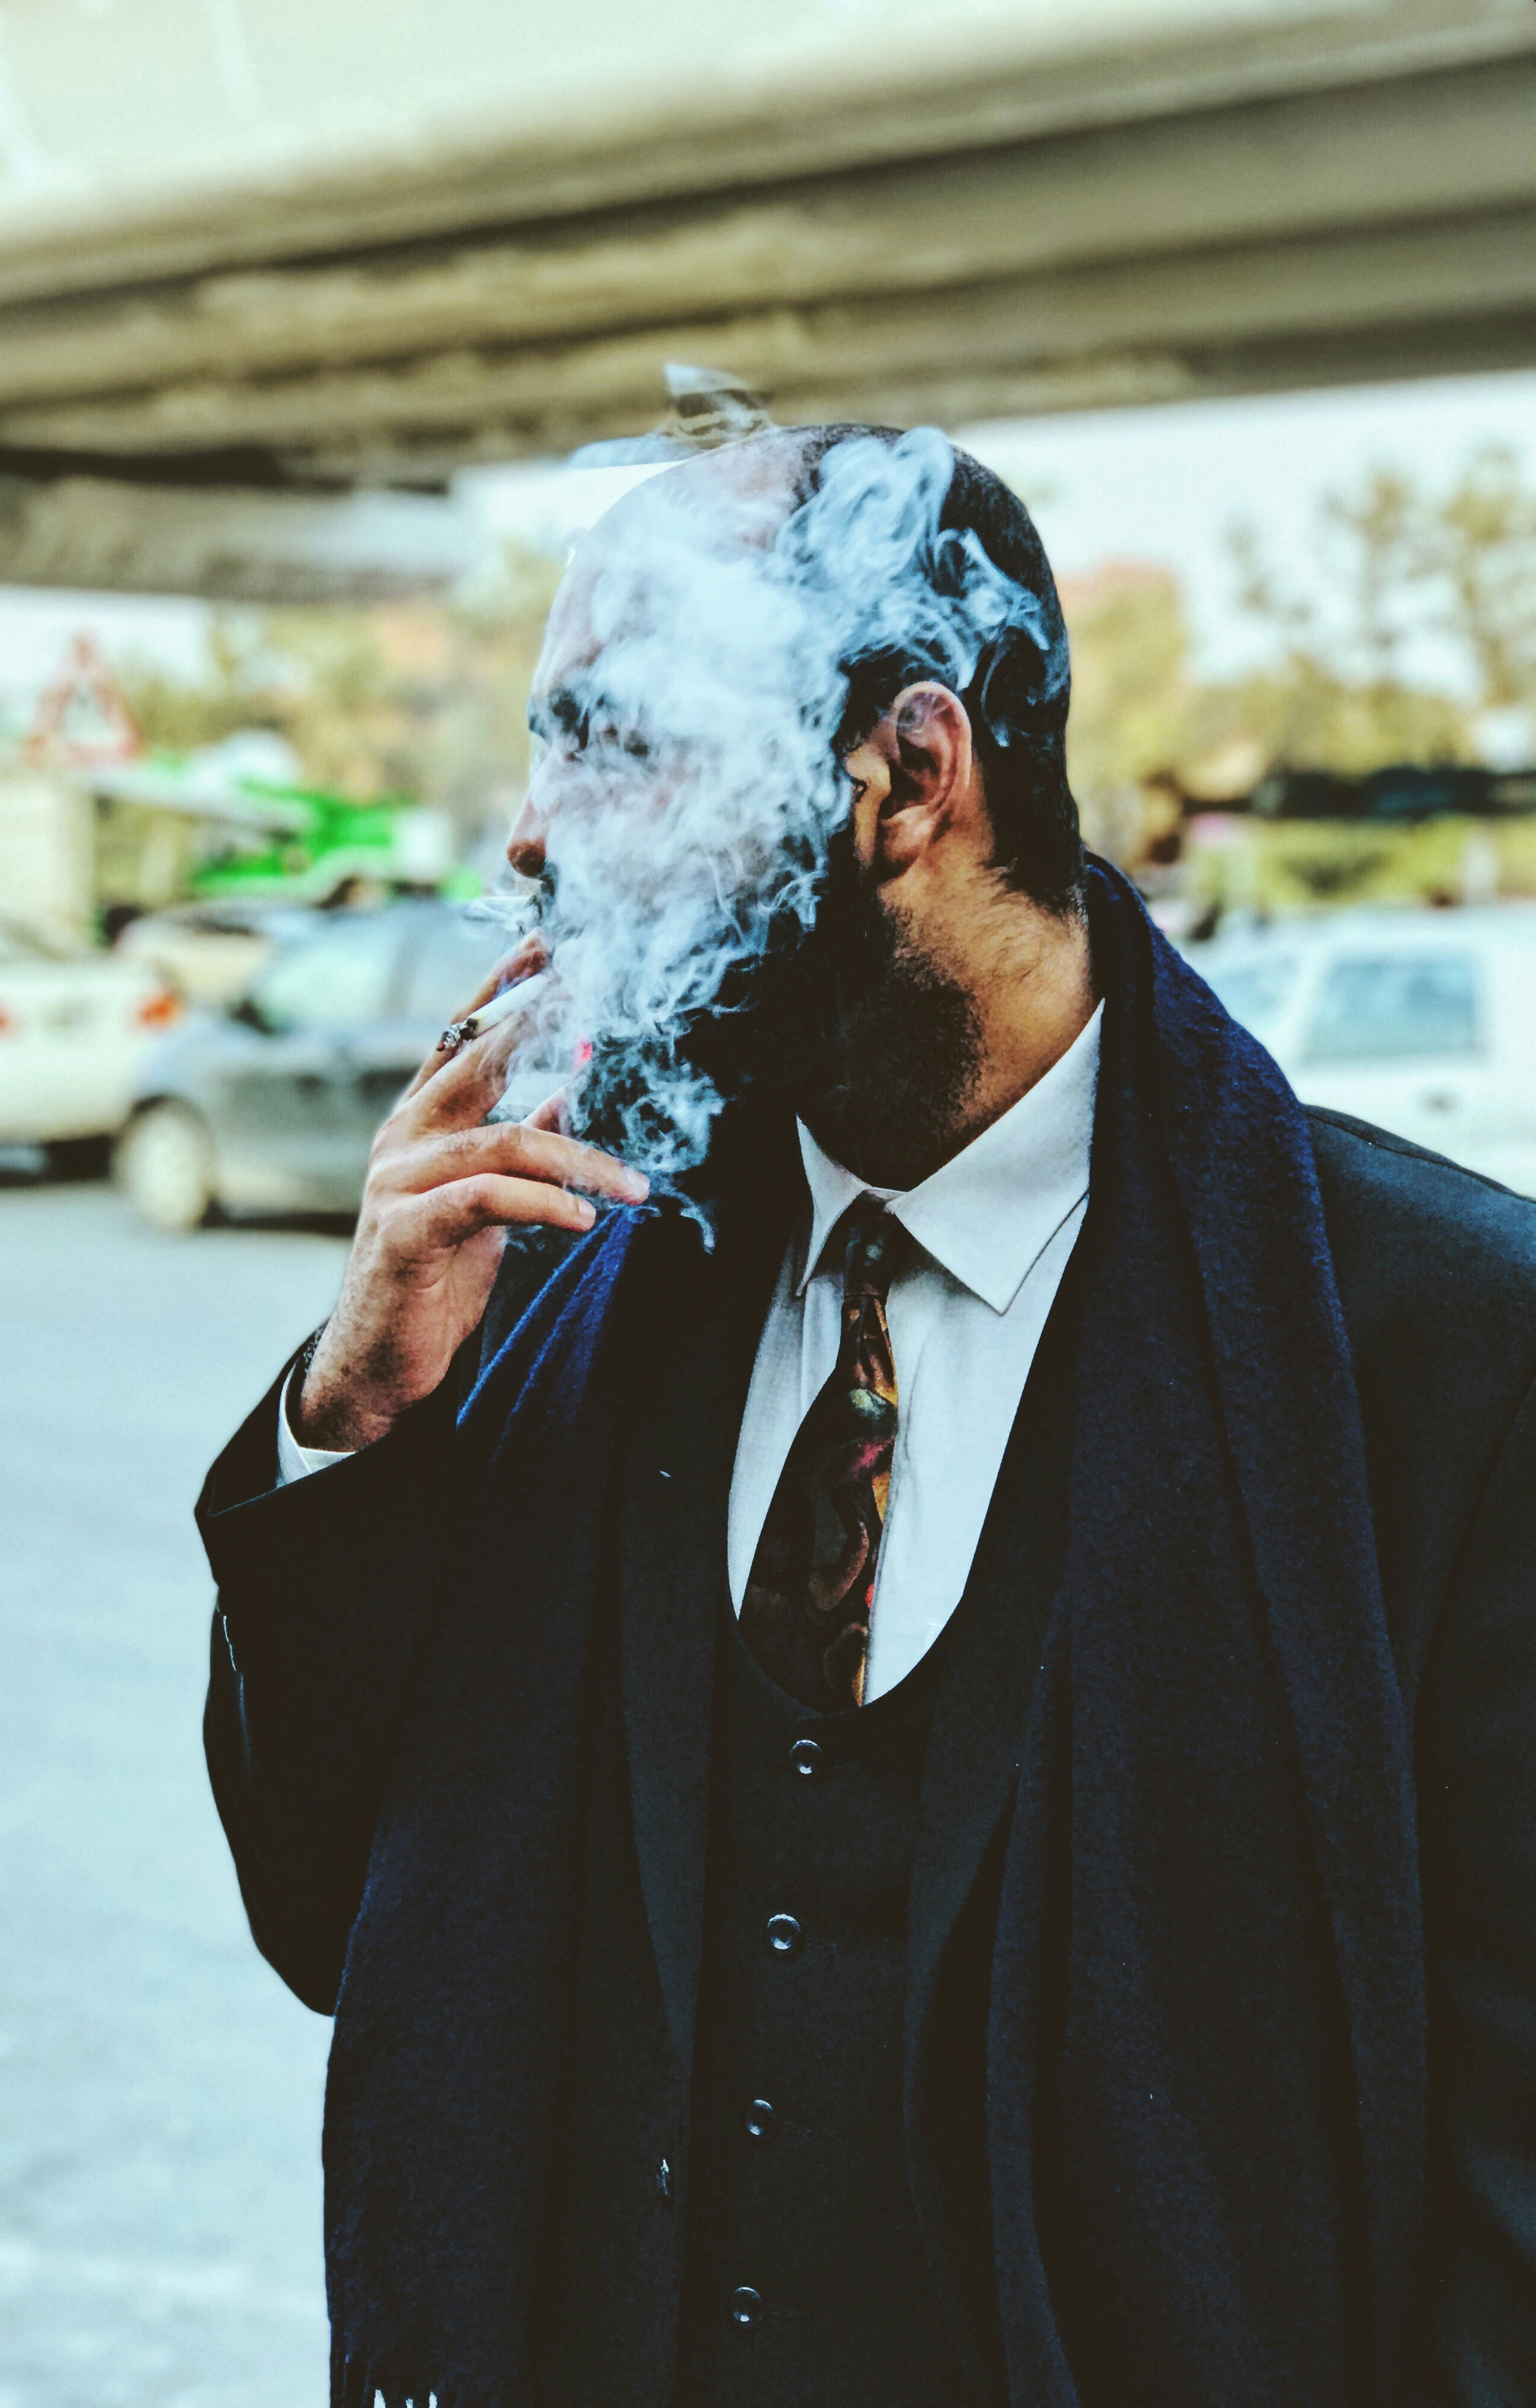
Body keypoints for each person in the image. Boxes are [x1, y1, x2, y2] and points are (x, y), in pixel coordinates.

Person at [200, 426, 1536, 2408]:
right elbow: (334, 1917)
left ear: (907, 774)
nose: (531, 839)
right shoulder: (568, 1269)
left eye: (612, 744)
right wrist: (363, 1410)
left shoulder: (1439, 1350)